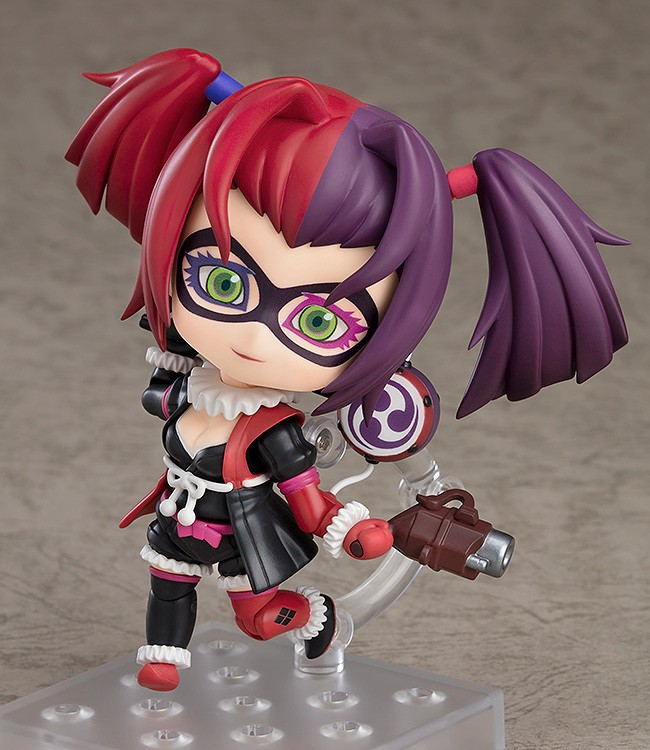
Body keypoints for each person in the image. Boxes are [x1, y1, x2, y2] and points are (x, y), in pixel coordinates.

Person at [66, 48, 627, 691]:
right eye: (222, 282)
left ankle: (315, 618)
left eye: (318, 321)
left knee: (258, 618)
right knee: (167, 584)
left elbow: (306, 497)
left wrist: (348, 528)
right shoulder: (188, 384)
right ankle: (164, 656)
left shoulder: (274, 430)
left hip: (245, 535)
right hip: (178, 520)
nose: (253, 335)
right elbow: (161, 397)